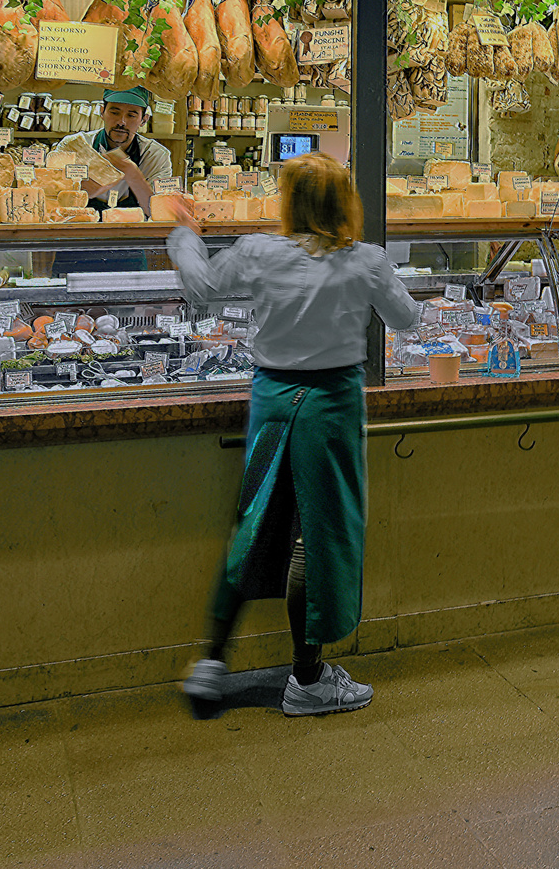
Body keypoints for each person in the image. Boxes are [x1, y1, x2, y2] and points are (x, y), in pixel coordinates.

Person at [168, 152, 421, 716]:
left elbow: (201, 288)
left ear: (290, 204)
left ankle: (210, 661)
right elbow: (407, 319)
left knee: (251, 523)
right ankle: (307, 680)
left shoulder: (260, 251)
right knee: (317, 537)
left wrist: (186, 235)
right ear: (345, 203)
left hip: (273, 399)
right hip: (329, 405)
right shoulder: (365, 262)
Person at [50, 86, 174, 216]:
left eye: (131, 115)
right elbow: (52, 201)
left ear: (144, 120)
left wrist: (134, 176)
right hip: (80, 229)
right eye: (115, 113)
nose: (121, 122)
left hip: (134, 233)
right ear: (102, 112)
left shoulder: (156, 156)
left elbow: (158, 213)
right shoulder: (73, 146)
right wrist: (80, 188)